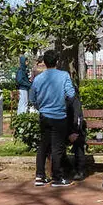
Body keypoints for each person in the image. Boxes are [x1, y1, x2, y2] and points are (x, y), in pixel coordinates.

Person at [30, 49, 77, 187]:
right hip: (59, 116)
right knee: (57, 147)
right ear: (57, 61)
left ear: (44, 62)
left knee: (43, 146)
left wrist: (41, 108)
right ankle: (57, 178)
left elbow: (32, 98)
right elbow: (71, 94)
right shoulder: (64, 76)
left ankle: (39, 176)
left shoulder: (38, 79)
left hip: (44, 116)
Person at [62, 91, 88, 181]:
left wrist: (74, 132)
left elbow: (78, 119)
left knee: (79, 141)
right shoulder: (57, 98)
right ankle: (67, 166)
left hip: (76, 131)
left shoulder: (74, 100)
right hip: (63, 131)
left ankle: (80, 170)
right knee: (55, 142)